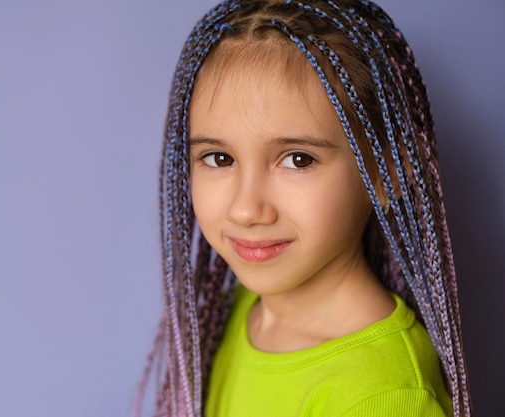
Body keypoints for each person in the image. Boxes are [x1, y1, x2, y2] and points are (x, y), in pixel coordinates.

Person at [135, 1, 472, 416]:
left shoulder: (384, 397)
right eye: (219, 158)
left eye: (297, 159)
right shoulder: (241, 309)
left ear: (387, 173)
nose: (246, 210)